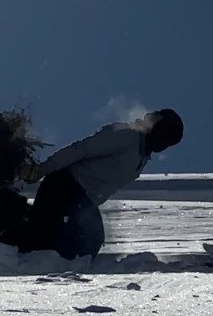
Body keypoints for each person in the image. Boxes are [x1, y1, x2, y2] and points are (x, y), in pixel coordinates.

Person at [18, 108, 183, 259]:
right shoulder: (127, 135)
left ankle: (55, 270)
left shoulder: (142, 158)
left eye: (169, 142)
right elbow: (81, 149)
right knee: (46, 238)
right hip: (64, 185)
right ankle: (15, 257)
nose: (164, 143)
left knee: (88, 240)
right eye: (164, 135)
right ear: (154, 124)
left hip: (83, 200)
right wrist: (41, 170)